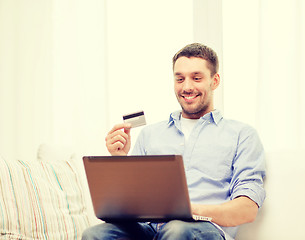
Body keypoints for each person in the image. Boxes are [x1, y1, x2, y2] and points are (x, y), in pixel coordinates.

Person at [82, 43, 266, 240]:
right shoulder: (150, 134)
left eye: (196, 78)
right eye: (180, 79)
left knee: (177, 229)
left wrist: (189, 211)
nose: (187, 87)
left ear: (215, 81)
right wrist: (119, 159)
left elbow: (247, 210)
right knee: (96, 234)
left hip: (203, 230)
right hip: (149, 230)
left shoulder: (242, 135)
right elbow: (131, 203)